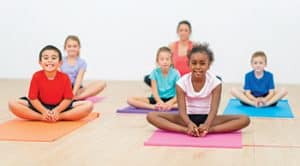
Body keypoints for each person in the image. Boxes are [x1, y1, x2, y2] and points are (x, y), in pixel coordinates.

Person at [147, 44, 250, 137]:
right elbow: (182, 111)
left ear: (208, 65)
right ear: (189, 64)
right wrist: (188, 124)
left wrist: (207, 125)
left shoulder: (216, 83)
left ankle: (209, 130)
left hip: (209, 119)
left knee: (245, 119)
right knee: (151, 116)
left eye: (202, 63)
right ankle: (186, 130)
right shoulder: (181, 83)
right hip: (185, 119)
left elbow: (214, 109)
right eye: (194, 63)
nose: (198, 67)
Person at [8, 45, 93, 122]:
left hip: (61, 107)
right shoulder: (36, 76)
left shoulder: (64, 77)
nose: (49, 61)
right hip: (40, 106)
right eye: (46, 58)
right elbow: (33, 98)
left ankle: (59, 117)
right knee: (12, 103)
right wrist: (44, 111)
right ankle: (41, 117)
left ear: (60, 63)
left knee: (88, 105)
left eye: (53, 58)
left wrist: (57, 111)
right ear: (40, 62)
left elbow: (68, 99)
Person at [128, 47, 180, 111]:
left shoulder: (176, 73)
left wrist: (169, 103)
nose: (165, 61)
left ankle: (171, 107)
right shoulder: (154, 73)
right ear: (157, 61)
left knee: (188, 103)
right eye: (162, 59)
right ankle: (153, 107)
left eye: (167, 59)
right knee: (130, 99)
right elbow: (154, 92)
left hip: (171, 100)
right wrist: (160, 102)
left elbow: (179, 93)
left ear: (171, 61)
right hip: (157, 99)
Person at [144, 20, 194, 86]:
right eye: (181, 30)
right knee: (148, 78)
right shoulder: (172, 46)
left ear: (190, 32)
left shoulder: (194, 46)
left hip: (188, 80)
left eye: (186, 30)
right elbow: (163, 59)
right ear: (177, 32)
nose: (183, 32)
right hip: (174, 79)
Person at [61, 35, 106, 100]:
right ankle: (68, 97)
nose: (72, 48)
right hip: (63, 88)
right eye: (69, 46)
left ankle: (75, 98)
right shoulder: (60, 61)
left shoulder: (82, 62)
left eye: (75, 46)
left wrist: (73, 92)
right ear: (65, 48)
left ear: (79, 48)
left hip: (76, 88)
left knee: (102, 83)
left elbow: (79, 79)